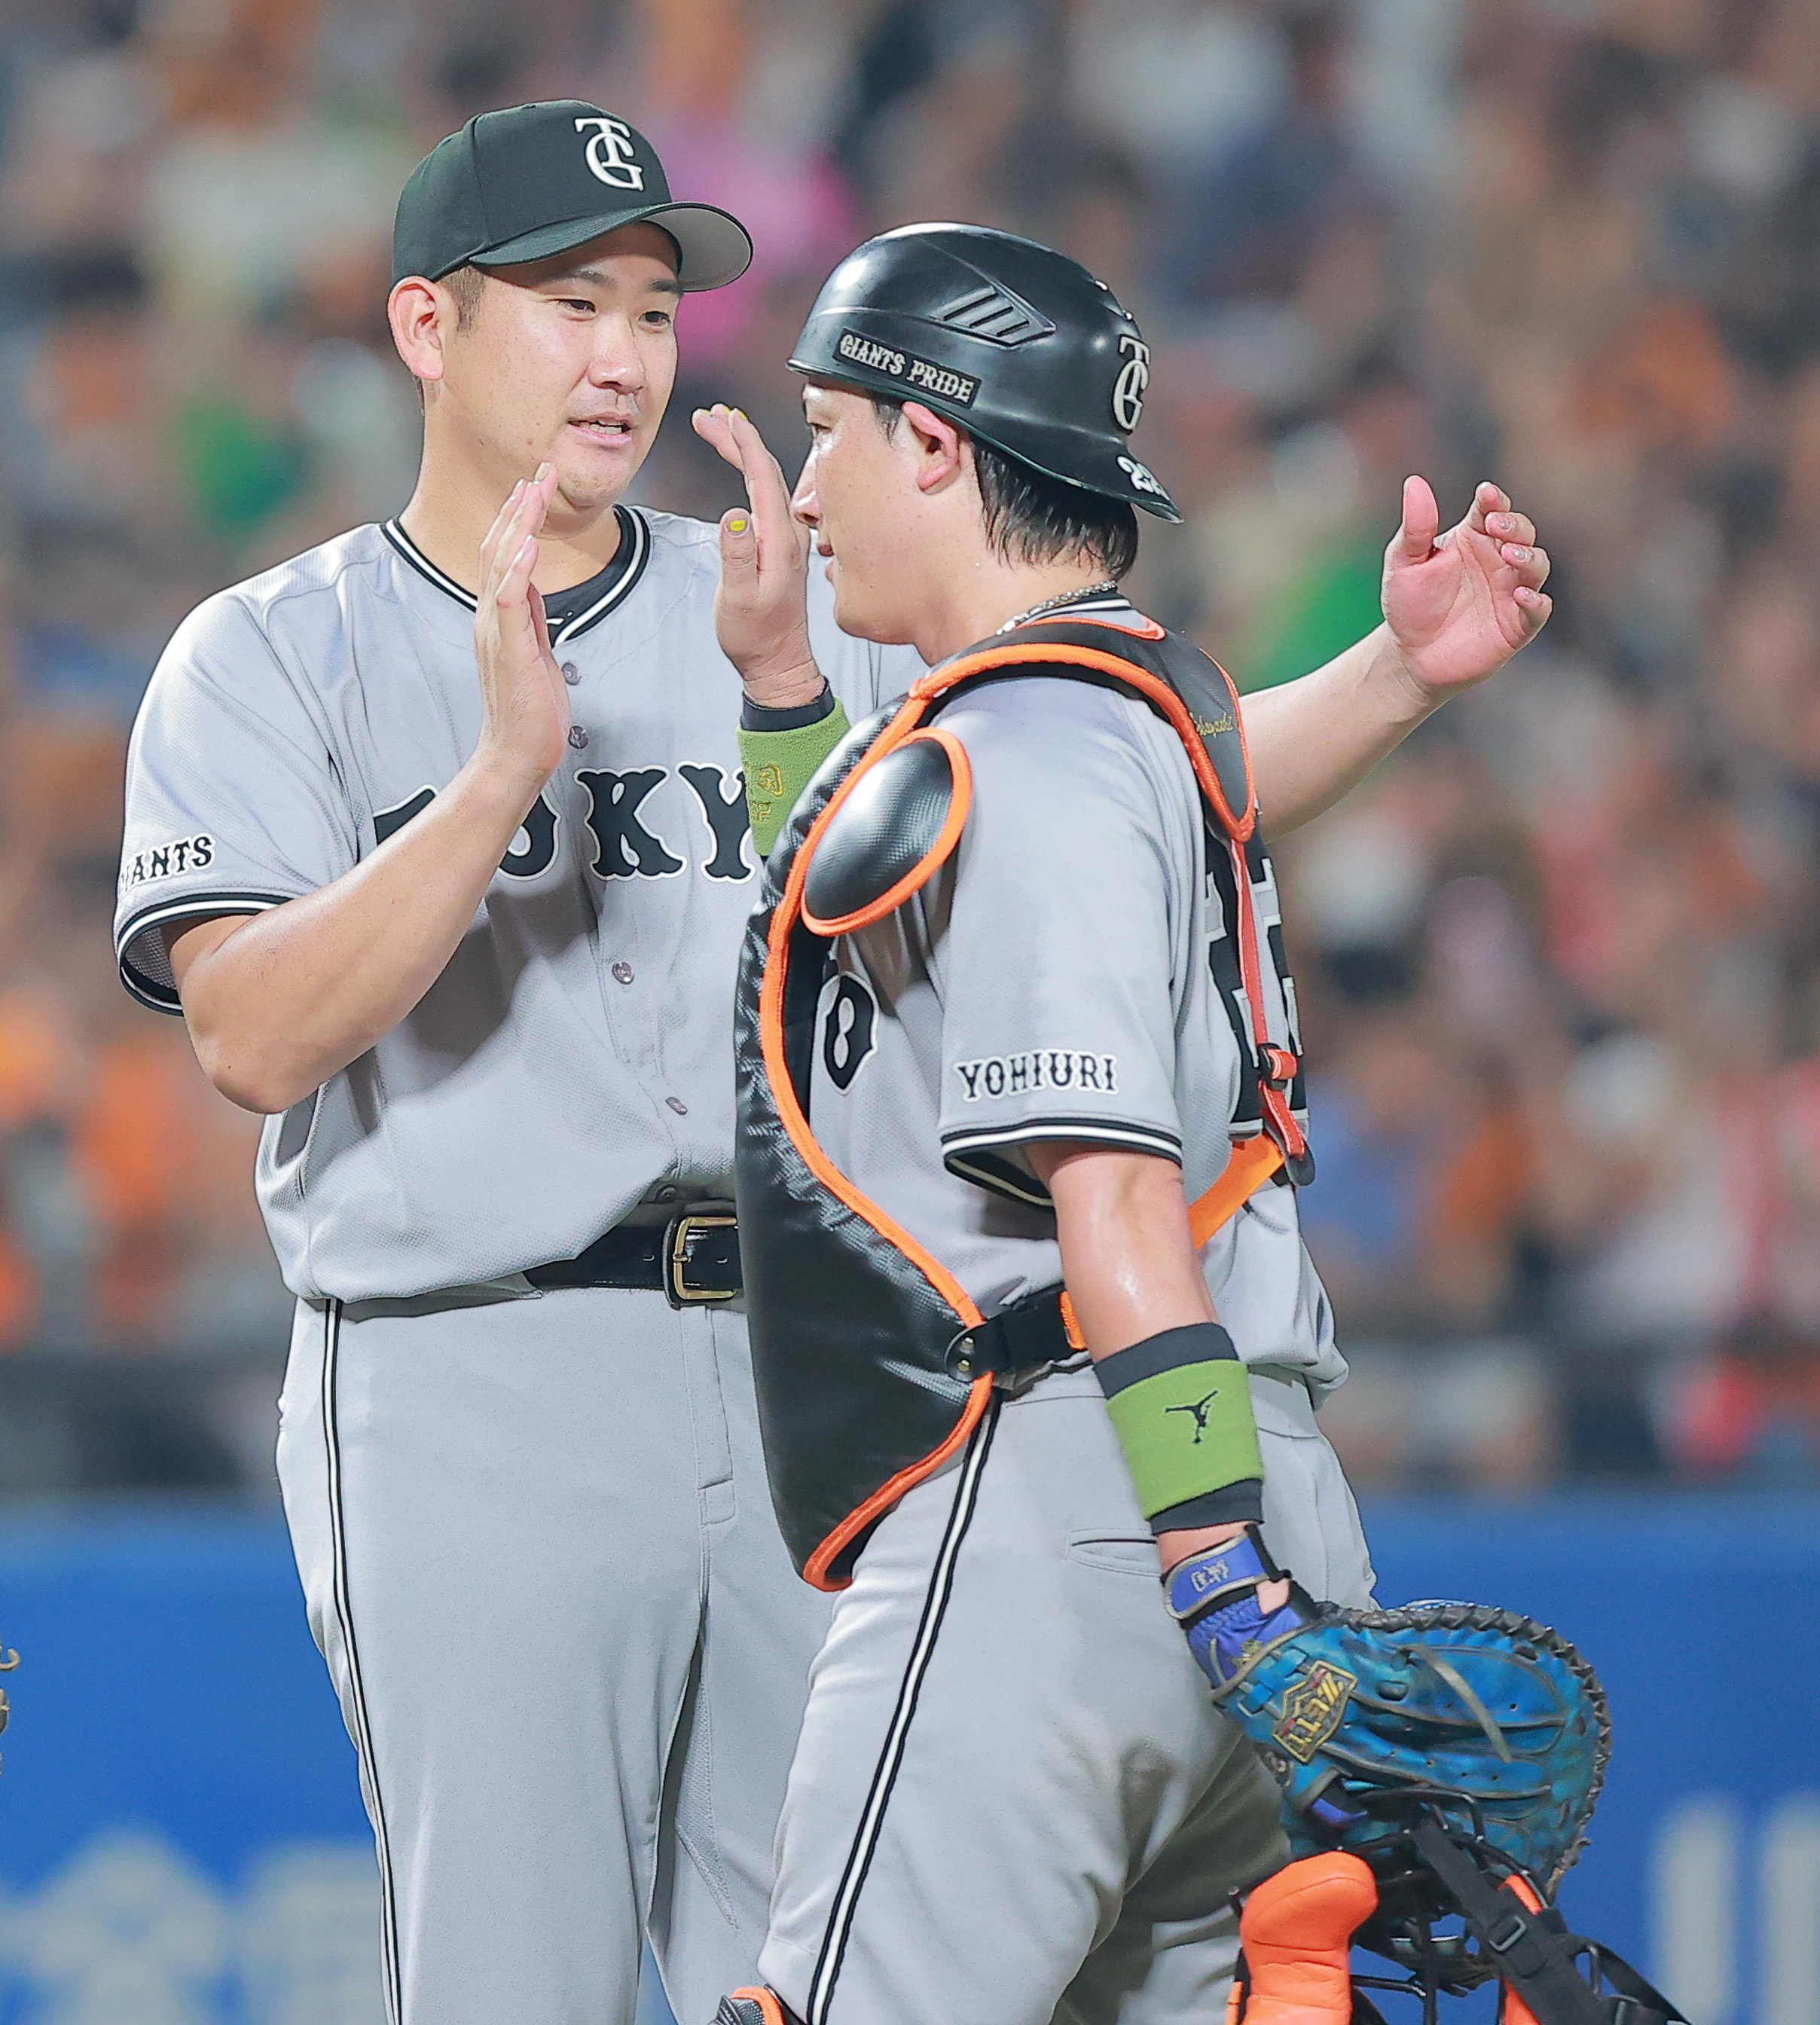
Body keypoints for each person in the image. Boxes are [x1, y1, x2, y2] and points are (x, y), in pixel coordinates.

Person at [111, 102, 1547, 2025]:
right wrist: (498, 779)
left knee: (808, 1960)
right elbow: (249, 1035)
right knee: (509, 1987)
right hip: (475, 1367)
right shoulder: (273, 650)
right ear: (423, 330)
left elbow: (1098, 784)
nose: (624, 352)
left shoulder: (787, 592)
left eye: (649, 303)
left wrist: (1390, 675)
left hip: (813, 1376)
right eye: (564, 302)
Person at [716, 223, 1553, 2025]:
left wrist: (1199, 1563)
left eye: (828, 427)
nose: (807, 479)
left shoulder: (1025, 746)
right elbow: (875, 924)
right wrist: (785, 701)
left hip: (1078, 1490)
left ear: (932, 443)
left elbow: (1107, 1192)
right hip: (1252, 1499)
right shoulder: (1120, 715)